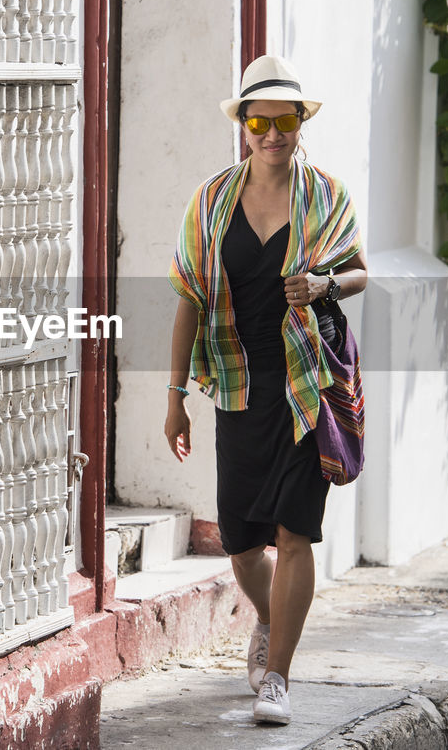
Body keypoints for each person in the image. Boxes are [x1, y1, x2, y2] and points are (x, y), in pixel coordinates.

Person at [164, 54, 367, 726]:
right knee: (241, 540)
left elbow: (361, 269)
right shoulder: (212, 201)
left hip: (306, 389)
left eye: (285, 120)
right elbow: (190, 298)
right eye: (260, 120)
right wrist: (174, 396)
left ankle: (277, 674)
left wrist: (324, 285)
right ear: (244, 126)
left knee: (296, 530)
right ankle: (267, 618)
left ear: (301, 124)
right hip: (238, 385)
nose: (273, 133)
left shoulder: (327, 196)